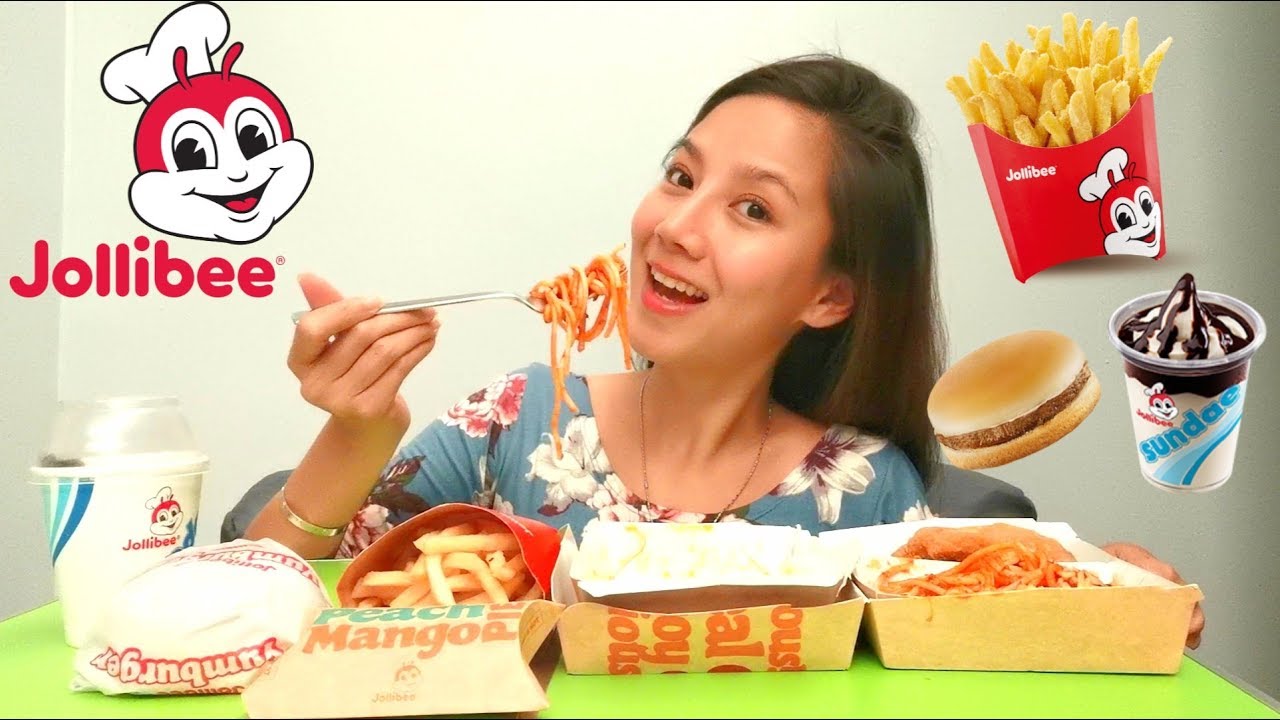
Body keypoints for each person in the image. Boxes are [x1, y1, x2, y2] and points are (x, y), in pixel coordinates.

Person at [244, 53, 1203, 649]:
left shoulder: (864, 489)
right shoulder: (515, 421)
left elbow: (971, 636)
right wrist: (357, 433)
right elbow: (261, 617)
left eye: (751, 208)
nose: (675, 226)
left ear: (829, 295)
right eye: (680, 176)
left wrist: (1109, 595)